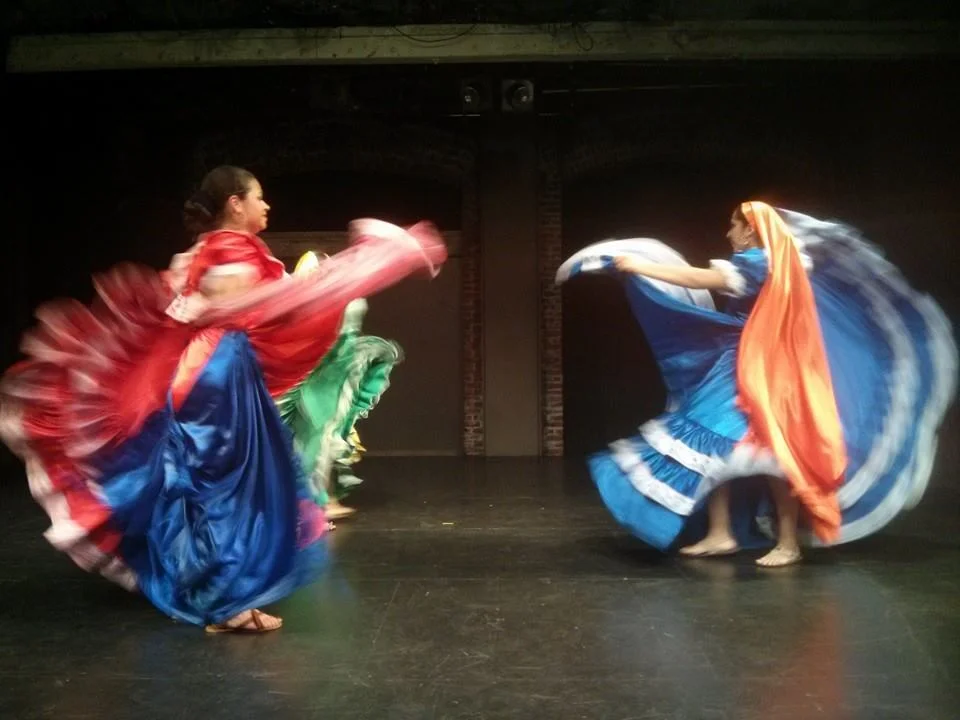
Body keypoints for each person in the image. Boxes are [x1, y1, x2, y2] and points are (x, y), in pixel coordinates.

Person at [0, 165, 446, 631]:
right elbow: (254, 307)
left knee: (221, 481)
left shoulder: (208, 249)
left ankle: (216, 588)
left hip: (216, 368)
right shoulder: (230, 248)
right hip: (216, 374)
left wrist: (348, 273)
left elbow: (218, 306)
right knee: (225, 484)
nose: (266, 206)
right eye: (258, 197)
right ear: (235, 203)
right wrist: (360, 267)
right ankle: (225, 604)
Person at [556, 201, 956, 566]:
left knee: (770, 453)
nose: (728, 233)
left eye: (733, 226)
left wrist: (640, 267)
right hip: (737, 365)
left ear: (751, 230)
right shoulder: (773, 262)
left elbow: (697, 278)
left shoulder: (761, 262)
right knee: (714, 448)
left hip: (762, 371)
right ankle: (721, 533)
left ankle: (788, 542)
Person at [278, 250, 404, 522]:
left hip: (332, 375)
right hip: (317, 377)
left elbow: (344, 333)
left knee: (325, 438)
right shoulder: (307, 301)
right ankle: (309, 508)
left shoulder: (338, 297)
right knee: (315, 439)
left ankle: (322, 501)